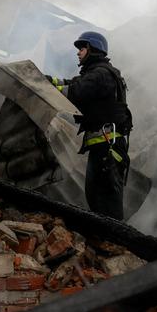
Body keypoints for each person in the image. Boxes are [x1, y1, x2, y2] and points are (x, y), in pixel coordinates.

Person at [51, 31, 133, 219]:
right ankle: (105, 242)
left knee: (106, 204)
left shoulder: (101, 74)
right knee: (97, 200)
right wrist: (51, 80)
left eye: (82, 48)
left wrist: (46, 87)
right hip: (104, 147)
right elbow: (75, 82)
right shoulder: (98, 73)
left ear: (93, 49)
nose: (78, 53)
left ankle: (115, 243)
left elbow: (76, 91)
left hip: (107, 148)